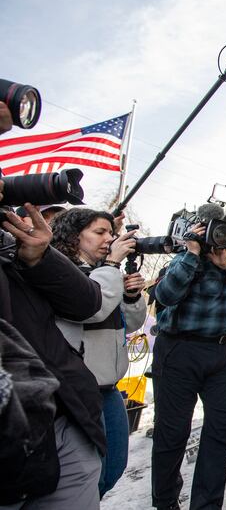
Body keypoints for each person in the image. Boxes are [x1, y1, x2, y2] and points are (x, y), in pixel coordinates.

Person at [152, 222, 226, 510]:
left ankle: (207, 504)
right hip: (180, 351)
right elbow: (164, 296)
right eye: (222, 235)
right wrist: (192, 254)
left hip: (222, 354)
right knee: (173, 432)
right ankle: (165, 501)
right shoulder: (184, 260)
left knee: (219, 430)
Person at [0, 204, 105, 509]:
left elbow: (87, 303)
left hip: (62, 419)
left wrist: (40, 257)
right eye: (100, 231)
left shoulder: (15, 250)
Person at [49, 208, 147, 497]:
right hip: (77, 394)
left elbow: (129, 323)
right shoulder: (64, 272)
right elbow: (92, 309)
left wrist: (131, 296)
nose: (109, 239)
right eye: (99, 232)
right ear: (75, 236)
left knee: (113, 468)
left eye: (110, 232)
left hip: (109, 389)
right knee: (85, 476)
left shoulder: (105, 274)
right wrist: (113, 263)